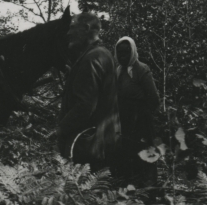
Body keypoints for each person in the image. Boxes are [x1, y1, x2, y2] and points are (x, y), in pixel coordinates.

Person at [56, 11, 120, 175]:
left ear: (86, 28)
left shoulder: (91, 59)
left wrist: (61, 129)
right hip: (101, 142)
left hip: (86, 147)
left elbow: (84, 106)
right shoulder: (103, 54)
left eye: (72, 27)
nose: (68, 33)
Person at [113, 35, 162, 186]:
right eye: (120, 52)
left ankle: (149, 189)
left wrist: (143, 118)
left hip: (141, 122)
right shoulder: (118, 71)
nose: (122, 56)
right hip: (124, 123)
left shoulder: (141, 69)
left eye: (126, 52)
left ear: (133, 52)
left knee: (146, 155)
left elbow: (154, 99)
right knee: (128, 156)